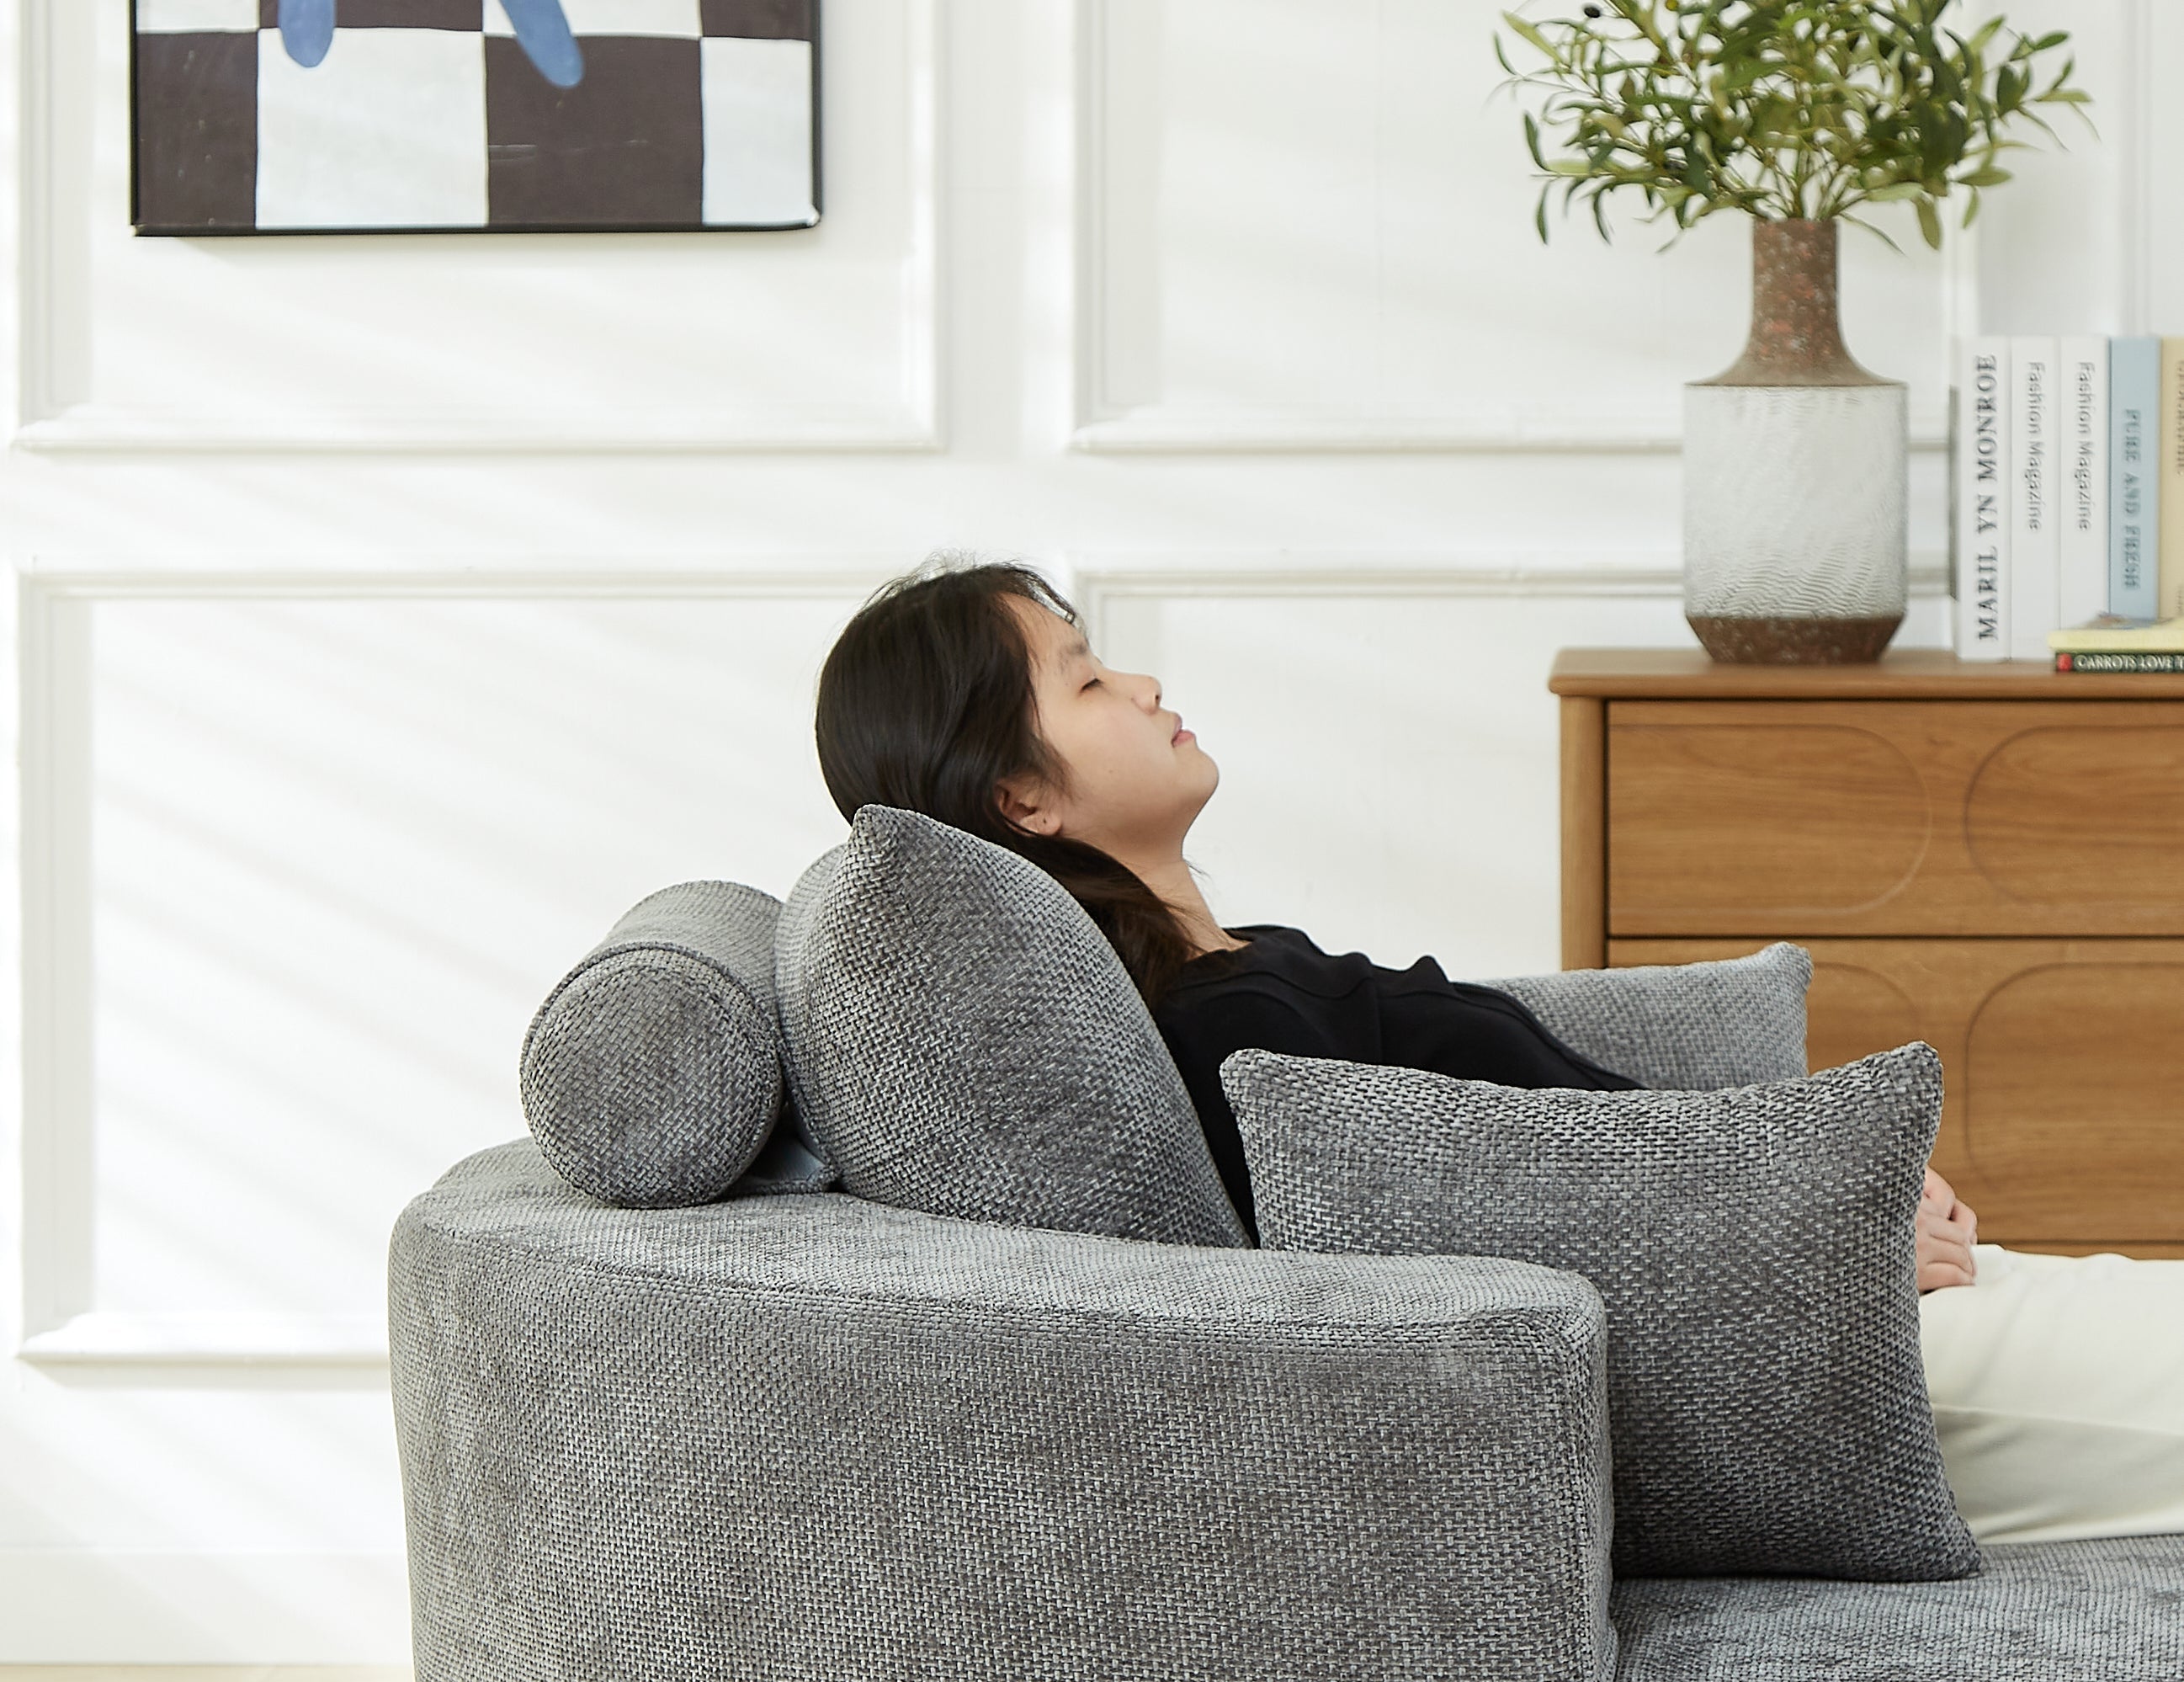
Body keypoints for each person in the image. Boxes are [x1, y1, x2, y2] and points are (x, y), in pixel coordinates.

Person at [814, 558, 2184, 1545]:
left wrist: (1844, 1189)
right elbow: (1480, 1227)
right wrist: (1827, 1227)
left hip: (1849, 1288)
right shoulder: (1233, 1042)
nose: (1147, 682)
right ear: (1023, 797)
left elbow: (1558, 1146)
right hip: (1818, 1353)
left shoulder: (1247, 971)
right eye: (1089, 677)